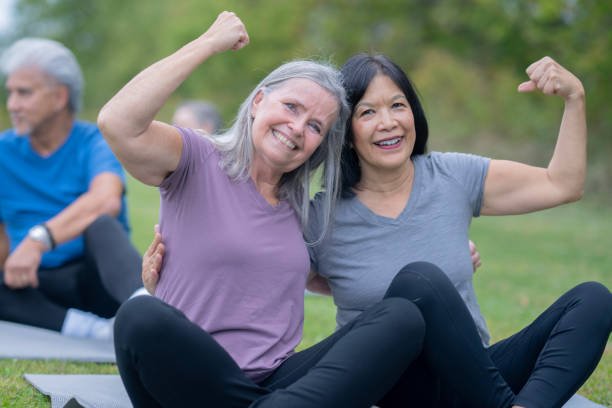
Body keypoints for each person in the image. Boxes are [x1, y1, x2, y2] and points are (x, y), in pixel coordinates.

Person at [101, 12, 525, 408]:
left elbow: (327, 276)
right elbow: (118, 122)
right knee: (139, 317)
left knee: (402, 316)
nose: (297, 128)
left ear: (321, 145)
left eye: (316, 126)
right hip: (197, 376)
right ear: (258, 102)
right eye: (291, 108)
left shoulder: (303, 208)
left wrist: (446, 254)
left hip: (279, 380)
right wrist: (207, 43)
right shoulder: (196, 158)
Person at [303, 54, 611, 407]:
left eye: (397, 105)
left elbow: (562, 185)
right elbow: (281, 275)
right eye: (367, 112)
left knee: (593, 299)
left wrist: (575, 99)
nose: (388, 122)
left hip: (476, 379)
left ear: (413, 113)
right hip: (396, 391)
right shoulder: (322, 216)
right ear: (346, 131)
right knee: (421, 281)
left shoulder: (450, 176)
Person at [0, 38, 144, 340]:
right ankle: (95, 332)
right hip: (36, 288)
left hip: (96, 280)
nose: (12, 104)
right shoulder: (3, 151)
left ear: (59, 97)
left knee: (101, 225)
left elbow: (106, 201)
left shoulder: (95, 141)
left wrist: (36, 240)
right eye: (10, 93)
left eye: (24, 93)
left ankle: (148, 314)